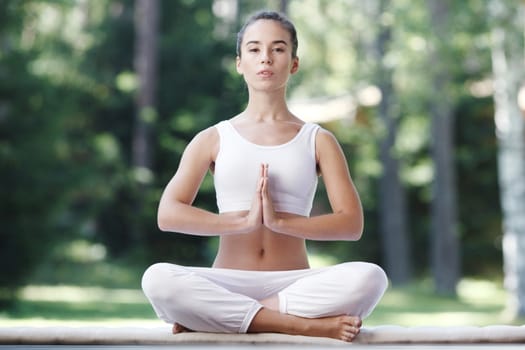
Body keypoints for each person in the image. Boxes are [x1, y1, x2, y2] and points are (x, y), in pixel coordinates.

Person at [141, 10, 388, 343]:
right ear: (239, 62)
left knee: (370, 277)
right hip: (228, 279)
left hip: (293, 283)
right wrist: (241, 222)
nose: (266, 58)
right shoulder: (214, 137)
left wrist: (281, 223)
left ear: (294, 63)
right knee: (158, 279)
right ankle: (301, 325)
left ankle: (226, 317)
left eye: (278, 48)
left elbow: (351, 224)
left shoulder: (317, 139)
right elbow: (168, 214)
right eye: (255, 49)